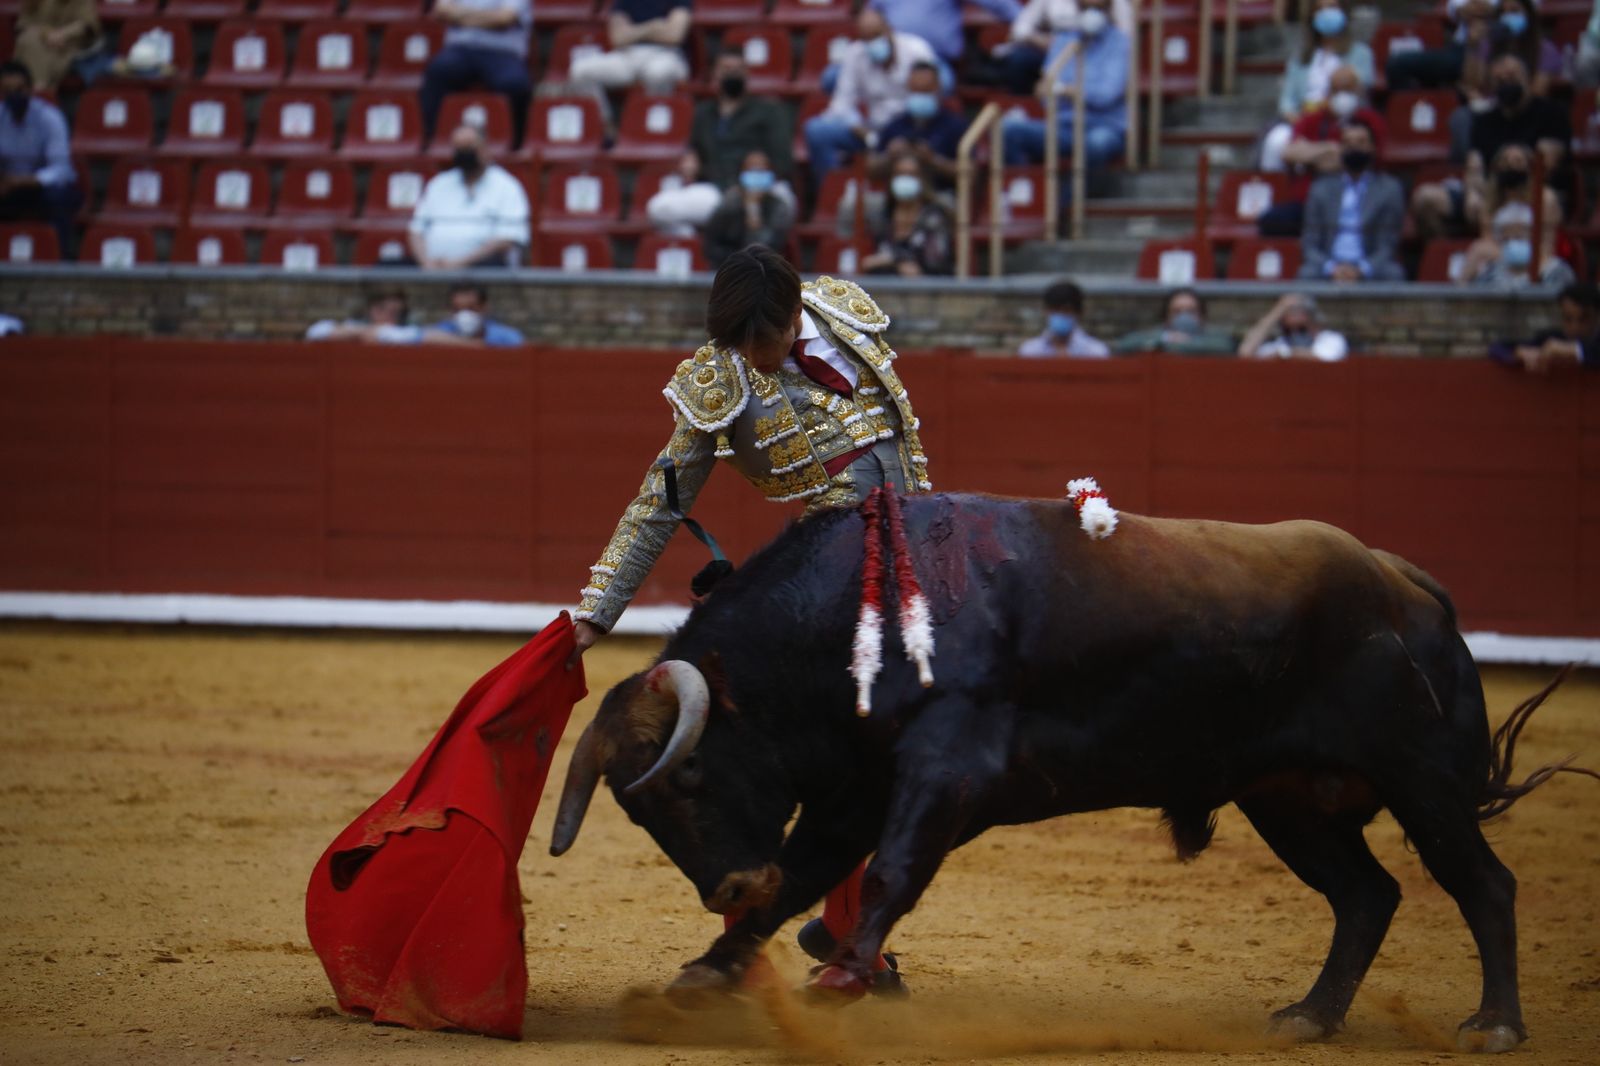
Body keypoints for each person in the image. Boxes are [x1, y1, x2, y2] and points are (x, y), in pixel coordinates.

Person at [569, 247, 933, 993]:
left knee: (897, 756)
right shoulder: (718, 381)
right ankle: (808, 942)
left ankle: (842, 930)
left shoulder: (844, 312)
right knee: (801, 769)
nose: (753, 360)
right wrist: (596, 611)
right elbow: (659, 502)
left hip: (919, 555)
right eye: (737, 345)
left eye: (763, 342)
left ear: (796, 313)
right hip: (824, 589)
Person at [1412, 55, 1571, 239]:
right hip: (1490, 192)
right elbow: (1474, 164)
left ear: (1527, 79)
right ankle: (1449, 252)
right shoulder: (1484, 120)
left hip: (1533, 193)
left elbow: (1546, 165)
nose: (1506, 84)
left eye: (1512, 77)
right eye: (1500, 81)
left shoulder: (1552, 113)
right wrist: (1473, 193)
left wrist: (1506, 198)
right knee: (1425, 199)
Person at [645, 51, 794, 233]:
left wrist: (752, 183)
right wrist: (691, 162)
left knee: (784, 205)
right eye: (726, 69)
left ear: (747, 73)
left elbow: (782, 161)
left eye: (738, 69)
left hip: (759, 188)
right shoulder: (703, 113)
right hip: (716, 189)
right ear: (714, 74)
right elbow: (695, 151)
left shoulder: (769, 111)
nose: (732, 74)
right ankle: (698, 247)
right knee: (660, 208)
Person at [804, 8, 939, 179]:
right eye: (866, 39)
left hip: (910, 129)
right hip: (873, 131)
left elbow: (932, 90)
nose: (873, 43)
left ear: (889, 29)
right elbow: (841, 104)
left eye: (876, 35)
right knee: (817, 131)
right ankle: (834, 191)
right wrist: (861, 129)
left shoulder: (916, 50)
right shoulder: (855, 53)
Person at [1000, 0, 1128, 173]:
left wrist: (1066, 91)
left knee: (1096, 144)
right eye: (1086, 8)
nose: (1092, 14)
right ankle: (1029, 187)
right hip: (1064, 127)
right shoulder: (1063, 41)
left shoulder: (1120, 42)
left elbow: (1106, 94)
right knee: (1008, 130)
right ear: (1077, 9)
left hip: (1104, 127)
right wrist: (1049, 91)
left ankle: (1067, 191)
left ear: (1109, 9)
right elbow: (1046, 94)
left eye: (1098, 9)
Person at [1258, 66, 1385, 237]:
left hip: (1357, 201)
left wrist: (1313, 156)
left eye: (1347, 89)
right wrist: (1329, 148)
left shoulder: (1371, 120)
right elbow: (1290, 153)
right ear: (1328, 92)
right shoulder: (1312, 120)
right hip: (1309, 201)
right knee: (1270, 220)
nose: (1342, 95)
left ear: (1359, 91)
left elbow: (1366, 159)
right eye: (1336, 90)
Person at [1260, 0, 1373, 172]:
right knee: (1276, 141)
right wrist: (1300, 121)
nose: (1326, 13)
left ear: (1343, 12)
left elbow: (1362, 90)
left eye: (1331, 7)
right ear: (1313, 17)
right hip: (1303, 119)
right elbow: (1287, 100)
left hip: (1343, 120)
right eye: (1320, 9)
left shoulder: (1361, 53)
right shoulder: (1300, 58)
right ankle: (1278, 185)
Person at [407, 124, 529, 269]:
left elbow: (508, 238)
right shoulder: (439, 184)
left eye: (469, 148)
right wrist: (425, 263)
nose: (465, 155)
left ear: (485, 149)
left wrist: (461, 263)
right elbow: (416, 230)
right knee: (389, 266)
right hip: (433, 267)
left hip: (482, 268)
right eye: (460, 149)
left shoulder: (507, 186)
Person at [1298, 118, 1405, 282]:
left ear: (1372, 147)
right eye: (1348, 143)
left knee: (1394, 273)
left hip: (1369, 265)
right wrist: (1331, 268)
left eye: (1360, 142)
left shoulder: (1389, 189)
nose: (1354, 148)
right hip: (1329, 264)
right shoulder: (1320, 188)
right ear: (1340, 149)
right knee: (1306, 273)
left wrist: (1362, 269)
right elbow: (1310, 243)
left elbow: (1387, 244)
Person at [418, 0, 533, 143]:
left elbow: (505, 18)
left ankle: (515, 143)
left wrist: (460, 17)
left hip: (503, 53)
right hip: (460, 49)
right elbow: (441, 10)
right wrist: (489, 19)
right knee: (438, 72)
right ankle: (432, 140)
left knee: (515, 85)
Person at [0, 62, 78, 256]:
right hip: (11, 188)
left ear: (30, 89)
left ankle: (60, 261)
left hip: (43, 188)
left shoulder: (50, 118)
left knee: (57, 198)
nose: (14, 95)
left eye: (19, 89)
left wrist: (22, 181)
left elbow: (61, 170)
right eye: (8, 91)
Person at [983, 0, 1134, 95]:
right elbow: (1020, 28)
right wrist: (1039, 40)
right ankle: (1029, 110)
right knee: (1019, 61)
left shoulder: (1118, 4)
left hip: (1098, 55)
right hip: (1053, 52)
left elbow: (1127, 35)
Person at [868, 62, 966, 188]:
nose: (920, 95)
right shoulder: (895, 125)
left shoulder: (955, 126)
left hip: (940, 194)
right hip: (896, 195)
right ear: (908, 88)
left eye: (926, 91)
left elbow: (969, 173)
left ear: (938, 89)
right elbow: (871, 169)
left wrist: (932, 159)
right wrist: (890, 156)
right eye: (916, 90)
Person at [859, 153, 953, 277]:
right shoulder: (882, 217)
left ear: (922, 180)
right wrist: (899, 264)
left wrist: (893, 260)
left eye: (911, 175)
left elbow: (935, 263)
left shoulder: (933, 218)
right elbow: (868, 262)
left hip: (926, 285)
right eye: (900, 174)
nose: (905, 179)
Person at [569, 0, 692, 95]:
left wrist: (632, 32)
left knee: (658, 72)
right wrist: (653, 27)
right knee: (580, 70)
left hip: (666, 54)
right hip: (628, 55)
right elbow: (618, 38)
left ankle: (651, 119)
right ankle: (604, 120)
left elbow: (674, 36)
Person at [703, 150, 796, 267]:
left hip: (766, 269)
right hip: (727, 267)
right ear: (741, 174)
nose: (756, 175)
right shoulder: (729, 203)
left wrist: (753, 211)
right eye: (752, 170)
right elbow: (711, 244)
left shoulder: (779, 207)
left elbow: (766, 250)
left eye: (761, 171)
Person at [869, 0, 1022, 66]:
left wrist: (1023, 20)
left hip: (935, 60)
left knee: (930, 84)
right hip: (893, 61)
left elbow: (997, 2)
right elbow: (868, 17)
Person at [1459, 202, 1575, 288]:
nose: (1513, 243)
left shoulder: (1556, 270)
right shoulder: (1491, 272)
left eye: (1519, 237)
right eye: (1506, 239)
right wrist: (1469, 270)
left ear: (1535, 236)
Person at [1490, 282, 1600, 371]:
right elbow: (1497, 347)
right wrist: (1518, 352)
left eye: (1584, 319)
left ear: (1597, 317)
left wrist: (1571, 350)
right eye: (1568, 319)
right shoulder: (1553, 338)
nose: (1575, 327)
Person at [12, 0, 102, 92]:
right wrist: (45, 33)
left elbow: (87, 25)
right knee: (29, 41)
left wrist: (63, 34)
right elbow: (23, 24)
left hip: (68, 46)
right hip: (36, 41)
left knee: (43, 48)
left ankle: (39, 91)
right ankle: (37, 89)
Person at [1112, 288, 1235, 354]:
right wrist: (1167, 338)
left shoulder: (1212, 336)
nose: (1184, 317)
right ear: (1167, 317)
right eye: (1177, 312)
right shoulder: (1160, 334)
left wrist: (1184, 342)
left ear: (1201, 316)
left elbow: (1226, 347)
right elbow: (1125, 344)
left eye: (1191, 311)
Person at [1237, 293, 1349, 361]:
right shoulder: (1280, 344)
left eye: (1298, 311)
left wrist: (1286, 355)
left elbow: (1326, 359)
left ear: (1310, 315)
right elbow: (1246, 353)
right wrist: (1278, 310)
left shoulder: (1331, 339)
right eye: (1288, 313)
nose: (1295, 316)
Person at [1018, 278, 1110, 357]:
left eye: (1066, 310)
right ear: (1045, 311)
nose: (1060, 314)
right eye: (1055, 309)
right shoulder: (1030, 351)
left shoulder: (1095, 352)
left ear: (1079, 313)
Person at [305, 290, 425, 343]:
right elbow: (315, 332)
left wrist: (379, 332)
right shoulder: (354, 326)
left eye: (398, 312)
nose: (393, 316)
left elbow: (419, 336)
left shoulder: (405, 331)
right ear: (373, 309)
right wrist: (362, 332)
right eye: (391, 311)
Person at [430, 282, 525, 345]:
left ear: (484, 307)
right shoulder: (443, 329)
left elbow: (519, 344)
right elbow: (422, 336)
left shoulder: (505, 336)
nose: (464, 315)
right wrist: (472, 344)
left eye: (471, 308)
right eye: (457, 310)